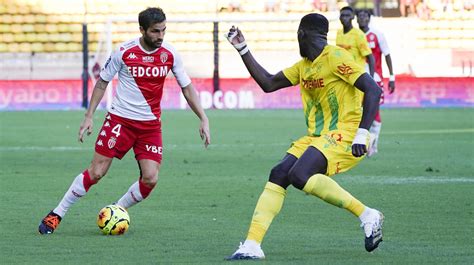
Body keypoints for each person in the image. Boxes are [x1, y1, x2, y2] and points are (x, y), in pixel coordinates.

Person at [224, 13, 384, 260]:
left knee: (299, 174)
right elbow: (268, 83)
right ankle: (252, 245)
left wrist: (362, 135)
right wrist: (243, 49)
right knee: (279, 173)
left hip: (346, 132)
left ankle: (367, 214)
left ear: (302, 34)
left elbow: (373, 88)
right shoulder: (304, 67)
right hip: (318, 137)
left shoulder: (336, 57)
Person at [38, 7, 211, 234]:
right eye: (155, 31)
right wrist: (89, 116)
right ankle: (57, 213)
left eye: (163, 31)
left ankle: (116, 210)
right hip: (120, 121)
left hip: (150, 126)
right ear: (142, 30)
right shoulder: (123, 51)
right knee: (96, 172)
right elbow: (102, 82)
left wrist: (203, 118)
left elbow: (187, 88)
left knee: (150, 179)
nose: (161, 36)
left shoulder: (170, 54)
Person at [357, 9, 395, 157]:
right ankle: (362, 141)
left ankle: (373, 143)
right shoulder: (352, 35)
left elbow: (387, 55)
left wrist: (392, 77)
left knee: (374, 111)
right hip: (356, 79)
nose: (362, 19)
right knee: (356, 111)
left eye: (365, 16)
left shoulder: (377, 34)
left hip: (375, 79)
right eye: (359, 16)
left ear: (369, 18)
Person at [336, 6, 375, 77]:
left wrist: (372, 78)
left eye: (347, 16)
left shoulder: (359, 34)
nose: (344, 18)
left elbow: (370, 57)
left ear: (353, 17)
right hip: (343, 74)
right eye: (342, 16)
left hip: (356, 75)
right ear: (339, 18)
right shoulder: (339, 33)